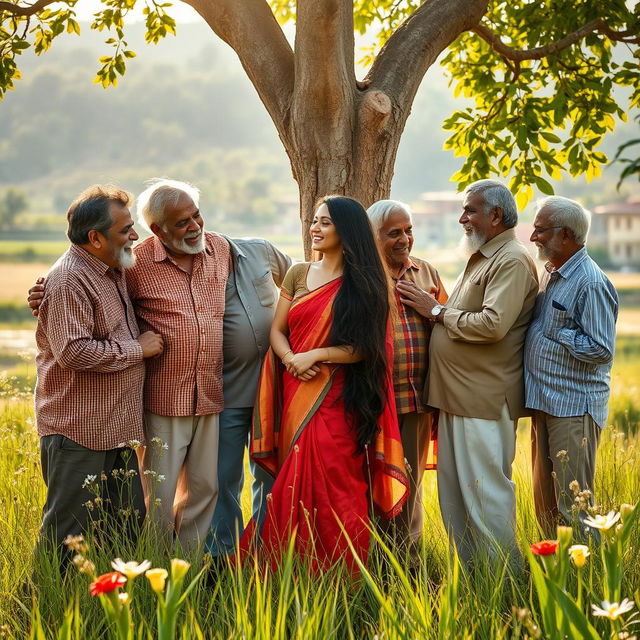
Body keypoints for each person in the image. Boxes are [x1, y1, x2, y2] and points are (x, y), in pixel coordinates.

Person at [28, 179, 291, 555]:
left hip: (210, 397)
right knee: (158, 499)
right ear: (158, 230)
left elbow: (295, 280)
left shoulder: (220, 249)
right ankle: (154, 567)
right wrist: (45, 294)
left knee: (206, 489)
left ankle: (189, 573)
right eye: (182, 222)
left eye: (196, 216)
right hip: (162, 399)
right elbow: (80, 288)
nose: (194, 226)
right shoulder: (134, 264)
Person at [247, 196, 409, 572]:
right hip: (294, 388)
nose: (314, 229)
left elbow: (369, 348)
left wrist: (316, 356)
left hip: (338, 398)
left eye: (324, 223)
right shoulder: (299, 274)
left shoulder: (365, 281)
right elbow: (277, 330)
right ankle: (288, 569)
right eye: (314, 222)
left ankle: (342, 574)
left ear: (346, 231)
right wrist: (290, 359)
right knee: (293, 481)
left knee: (338, 482)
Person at [413, 179, 539, 567]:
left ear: (496, 215)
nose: (462, 218)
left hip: (482, 398)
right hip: (459, 396)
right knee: (457, 497)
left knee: (486, 496)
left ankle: (505, 585)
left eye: (470, 210)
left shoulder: (511, 259)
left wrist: (433, 311)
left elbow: (492, 325)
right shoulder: (487, 255)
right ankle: (475, 582)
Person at [34, 185, 163, 558]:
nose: (135, 236)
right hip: (79, 430)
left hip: (116, 428)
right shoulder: (69, 280)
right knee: (67, 537)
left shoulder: (112, 268)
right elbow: (73, 352)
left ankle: (110, 611)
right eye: (125, 230)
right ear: (95, 238)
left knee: (124, 527)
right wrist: (138, 349)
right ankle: (51, 610)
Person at [524, 196, 618, 535]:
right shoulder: (553, 272)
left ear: (565, 235)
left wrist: (560, 333)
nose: (534, 238)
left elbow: (600, 348)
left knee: (573, 507)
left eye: (540, 231)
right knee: (546, 504)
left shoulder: (590, 282)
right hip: (547, 402)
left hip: (573, 407)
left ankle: (581, 582)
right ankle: (552, 578)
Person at [367, 199, 447, 551]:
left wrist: (433, 311)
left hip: (416, 401)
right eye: (393, 233)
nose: (404, 239)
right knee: (372, 484)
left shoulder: (426, 272)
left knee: (409, 486)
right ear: (373, 236)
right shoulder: (361, 275)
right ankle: (370, 561)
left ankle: (407, 562)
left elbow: (447, 324)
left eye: (409, 231)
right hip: (372, 403)